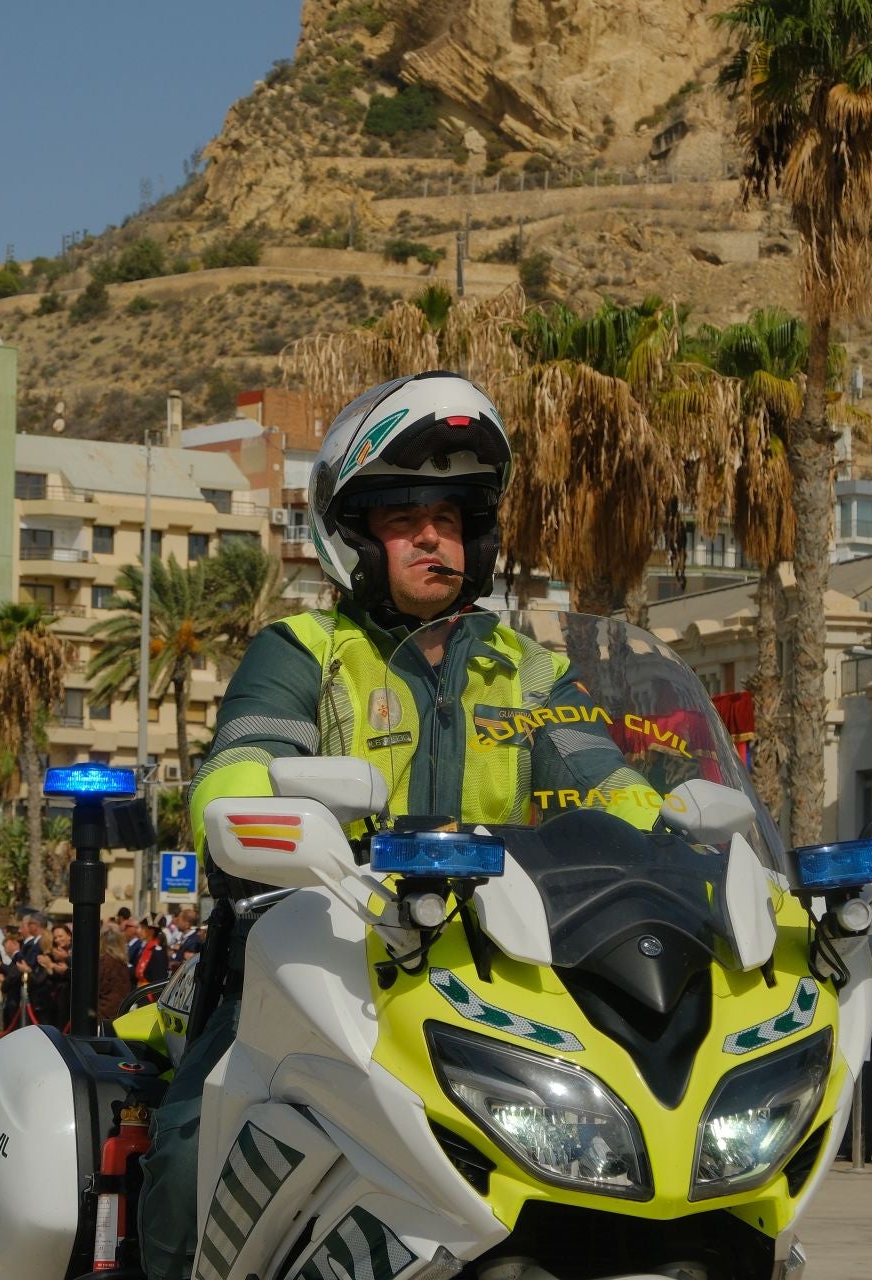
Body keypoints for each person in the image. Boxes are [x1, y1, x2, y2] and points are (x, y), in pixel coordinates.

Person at [137, 371, 658, 1280]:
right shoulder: (303, 651)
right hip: (318, 954)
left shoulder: (526, 669)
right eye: (405, 518)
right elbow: (242, 756)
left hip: (494, 970)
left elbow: (602, 781)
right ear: (354, 538)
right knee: (194, 1141)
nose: (433, 538)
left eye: (451, 519)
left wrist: (678, 832)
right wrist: (239, 806)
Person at [97, 924, 132, 1026]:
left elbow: (97, 988)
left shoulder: (104, 962)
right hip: (119, 1011)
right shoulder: (121, 962)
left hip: (103, 1014)